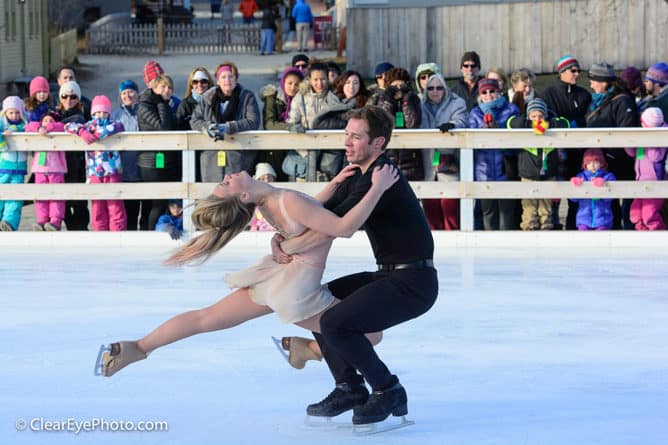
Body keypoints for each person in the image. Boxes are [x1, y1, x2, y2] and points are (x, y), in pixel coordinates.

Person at [96, 155, 399, 378]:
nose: (227, 176)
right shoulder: (285, 200)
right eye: (225, 184)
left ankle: (138, 347)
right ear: (242, 195)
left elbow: (309, 212)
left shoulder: (270, 203)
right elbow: (343, 227)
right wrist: (378, 187)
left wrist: (333, 185)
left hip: (277, 276)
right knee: (372, 335)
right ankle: (309, 350)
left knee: (207, 317)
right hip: (296, 289)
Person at [274, 105, 438, 425]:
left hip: (413, 284)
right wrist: (280, 236)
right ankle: (348, 386)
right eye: (346, 134)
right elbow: (314, 213)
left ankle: (387, 388)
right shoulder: (357, 174)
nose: (347, 143)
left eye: (356, 137)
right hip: (390, 275)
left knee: (334, 321)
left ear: (378, 143)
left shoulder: (380, 177)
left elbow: (334, 225)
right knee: (325, 299)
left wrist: (289, 244)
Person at [585, 61, 639, 230]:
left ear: (603, 81)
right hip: (603, 161)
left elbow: (627, 131)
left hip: (620, 160)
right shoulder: (596, 101)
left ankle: (630, 236)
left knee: (627, 202)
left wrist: (611, 153)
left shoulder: (622, 101)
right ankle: (613, 233)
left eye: (593, 80)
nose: (591, 84)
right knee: (609, 203)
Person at [542, 55, 592, 230]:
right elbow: (543, 120)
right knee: (554, 194)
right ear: (562, 72)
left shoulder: (584, 94)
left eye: (578, 70)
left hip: (578, 152)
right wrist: (563, 123)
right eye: (573, 70)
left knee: (576, 193)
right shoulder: (548, 94)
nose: (577, 74)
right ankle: (553, 227)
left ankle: (574, 227)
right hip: (557, 152)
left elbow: (588, 119)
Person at [190, 62, 261, 181]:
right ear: (217, 81)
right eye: (223, 77)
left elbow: (253, 121)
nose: (227, 80)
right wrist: (207, 127)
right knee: (213, 193)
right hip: (211, 155)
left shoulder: (246, 96)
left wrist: (230, 127)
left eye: (231, 76)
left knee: (236, 194)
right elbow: (194, 121)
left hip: (238, 153)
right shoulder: (208, 97)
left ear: (236, 79)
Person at [65, 95, 126, 231]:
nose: (100, 115)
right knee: (98, 207)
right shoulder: (88, 126)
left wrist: (100, 134)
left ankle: (118, 235)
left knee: (115, 205)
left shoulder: (113, 124)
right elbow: (68, 126)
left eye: (104, 112)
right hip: (94, 173)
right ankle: (100, 235)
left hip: (112, 172)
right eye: (97, 112)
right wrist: (82, 132)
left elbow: (119, 126)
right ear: (93, 113)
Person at [507, 98, 569, 230]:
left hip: (548, 175)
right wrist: (533, 126)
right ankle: (529, 232)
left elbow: (565, 123)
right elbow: (510, 123)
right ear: (528, 116)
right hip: (528, 175)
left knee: (546, 210)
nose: (537, 119)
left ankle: (546, 231)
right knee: (529, 210)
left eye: (540, 116)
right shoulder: (523, 124)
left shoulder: (551, 126)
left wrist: (545, 125)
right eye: (533, 116)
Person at [468, 78, 520, 230]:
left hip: (505, 168)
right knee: (488, 213)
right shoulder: (475, 113)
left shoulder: (511, 110)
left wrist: (498, 131)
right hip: (484, 170)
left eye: (492, 91)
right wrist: (484, 132)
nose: (489, 95)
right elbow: (471, 138)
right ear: (480, 95)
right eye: (484, 92)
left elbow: (515, 138)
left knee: (506, 214)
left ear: (499, 92)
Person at [419, 73, 468, 230]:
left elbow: (461, 121)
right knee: (430, 207)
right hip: (427, 162)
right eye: (431, 88)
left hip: (448, 160)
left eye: (439, 88)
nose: (435, 91)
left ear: (445, 89)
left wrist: (452, 125)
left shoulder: (456, 103)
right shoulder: (420, 104)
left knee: (450, 206)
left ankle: (453, 243)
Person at [286, 62, 342, 181]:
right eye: (315, 79)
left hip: (326, 147)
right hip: (304, 146)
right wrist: (294, 127)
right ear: (310, 80)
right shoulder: (301, 97)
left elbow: (338, 123)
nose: (319, 83)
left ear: (328, 79)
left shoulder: (333, 99)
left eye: (323, 79)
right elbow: (292, 119)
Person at [374, 67, 424, 180]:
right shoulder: (382, 99)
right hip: (388, 156)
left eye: (401, 86)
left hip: (411, 158)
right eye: (394, 87)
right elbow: (383, 123)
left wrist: (406, 101)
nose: (398, 89)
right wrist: (389, 101)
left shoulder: (413, 99)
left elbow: (413, 124)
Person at [624, 107, 667, 230]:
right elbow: (633, 153)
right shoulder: (643, 136)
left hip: (654, 183)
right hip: (640, 180)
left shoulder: (662, 136)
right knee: (636, 212)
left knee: (649, 213)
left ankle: (658, 234)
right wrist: (630, 143)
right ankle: (641, 233)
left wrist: (649, 141)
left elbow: (655, 157)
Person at [112, 79, 147, 230]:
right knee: (129, 212)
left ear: (137, 93)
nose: (128, 96)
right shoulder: (116, 116)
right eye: (124, 93)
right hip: (125, 170)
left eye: (131, 92)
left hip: (143, 168)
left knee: (145, 211)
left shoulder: (144, 111)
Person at [260, 66, 304, 181]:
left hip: (295, 146)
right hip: (274, 147)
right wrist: (289, 127)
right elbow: (269, 124)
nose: (293, 87)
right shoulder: (273, 97)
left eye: (296, 84)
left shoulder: (302, 100)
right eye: (289, 83)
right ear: (283, 82)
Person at [56, 81, 90, 231]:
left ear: (78, 99)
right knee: (64, 202)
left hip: (78, 164)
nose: (68, 100)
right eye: (64, 96)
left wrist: (52, 126)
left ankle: (81, 231)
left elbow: (77, 122)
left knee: (79, 202)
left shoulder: (80, 116)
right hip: (60, 164)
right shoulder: (55, 114)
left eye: (73, 96)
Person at [26, 111, 67, 231]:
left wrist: (48, 127)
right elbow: (29, 126)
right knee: (41, 196)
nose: (48, 122)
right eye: (45, 120)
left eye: (51, 120)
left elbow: (61, 126)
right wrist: (40, 128)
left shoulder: (58, 128)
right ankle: (42, 221)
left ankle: (55, 221)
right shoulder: (37, 128)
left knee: (56, 195)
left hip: (56, 169)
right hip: (40, 169)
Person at [569, 148, 616, 230]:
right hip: (584, 218)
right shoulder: (581, 176)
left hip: (603, 217)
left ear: (601, 163)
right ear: (585, 165)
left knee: (601, 236)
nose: (592, 165)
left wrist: (603, 185)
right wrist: (575, 186)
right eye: (589, 163)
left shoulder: (608, 176)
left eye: (596, 162)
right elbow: (573, 199)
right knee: (584, 236)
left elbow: (610, 198)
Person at [0, 96, 27, 231]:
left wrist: (16, 129)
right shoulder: (2, 124)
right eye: (11, 112)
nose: (14, 115)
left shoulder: (23, 125)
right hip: (3, 166)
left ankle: (8, 223)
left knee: (16, 198)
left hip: (19, 168)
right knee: (1, 195)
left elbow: (28, 129)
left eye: (17, 112)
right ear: (5, 113)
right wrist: (3, 140)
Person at [249, 162, 277, 231]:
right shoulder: (255, 198)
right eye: (263, 178)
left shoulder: (279, 196)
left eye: (270, 178)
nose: (267, 181)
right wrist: (254, 227)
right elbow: (254, 219)